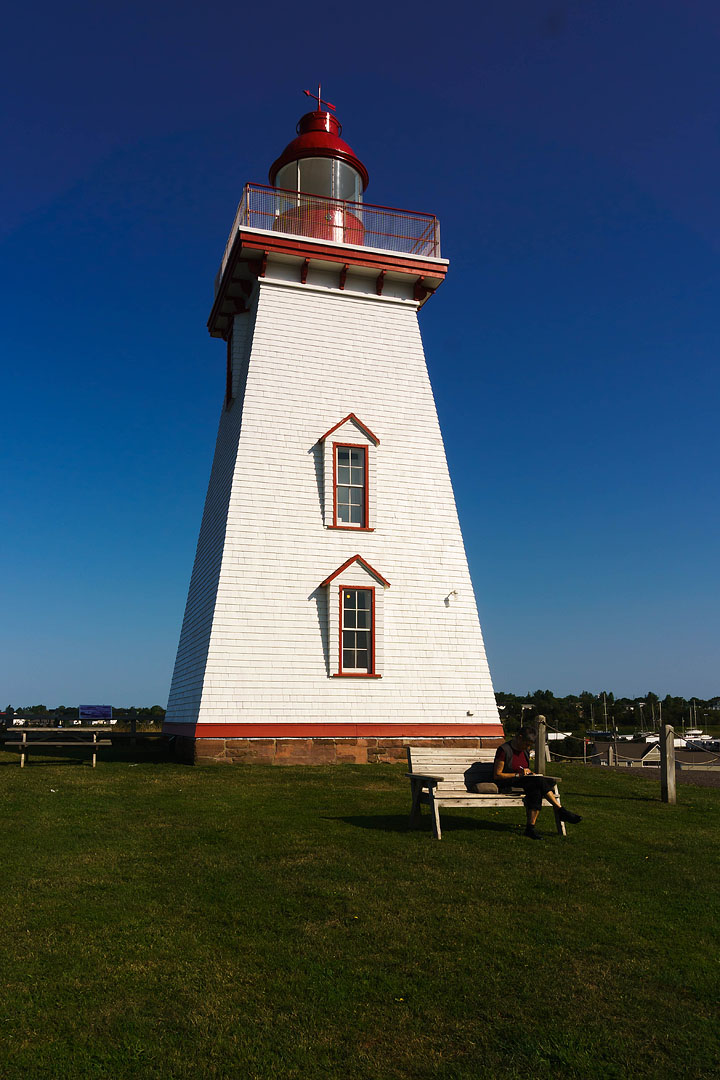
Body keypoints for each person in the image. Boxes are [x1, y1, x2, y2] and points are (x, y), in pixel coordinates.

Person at [493, 725, 582, 839]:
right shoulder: (504, 750)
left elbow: (523, 768)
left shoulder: (524, 751)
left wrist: (529, 773)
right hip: (507, 781)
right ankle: (560, 810)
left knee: (537, 789)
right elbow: (497, 775)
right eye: (526, 744)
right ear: (519, 738)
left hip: (523, 781)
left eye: (529, 745)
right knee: (539, 782)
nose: (528, 747)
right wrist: (518, 774)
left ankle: (530, 828)